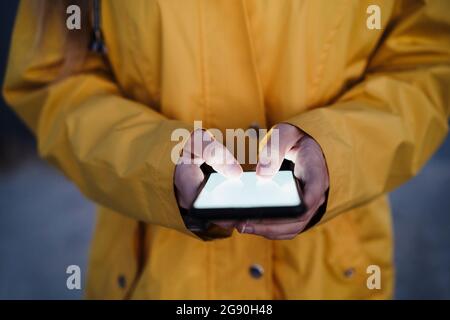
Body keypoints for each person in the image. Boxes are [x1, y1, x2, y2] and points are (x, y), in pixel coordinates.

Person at [3, 0, 450, 299]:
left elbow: (429, 59)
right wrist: (158, 161)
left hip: (329, 277)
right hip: (156, 282)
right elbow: (54, 80)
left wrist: (337, 152)